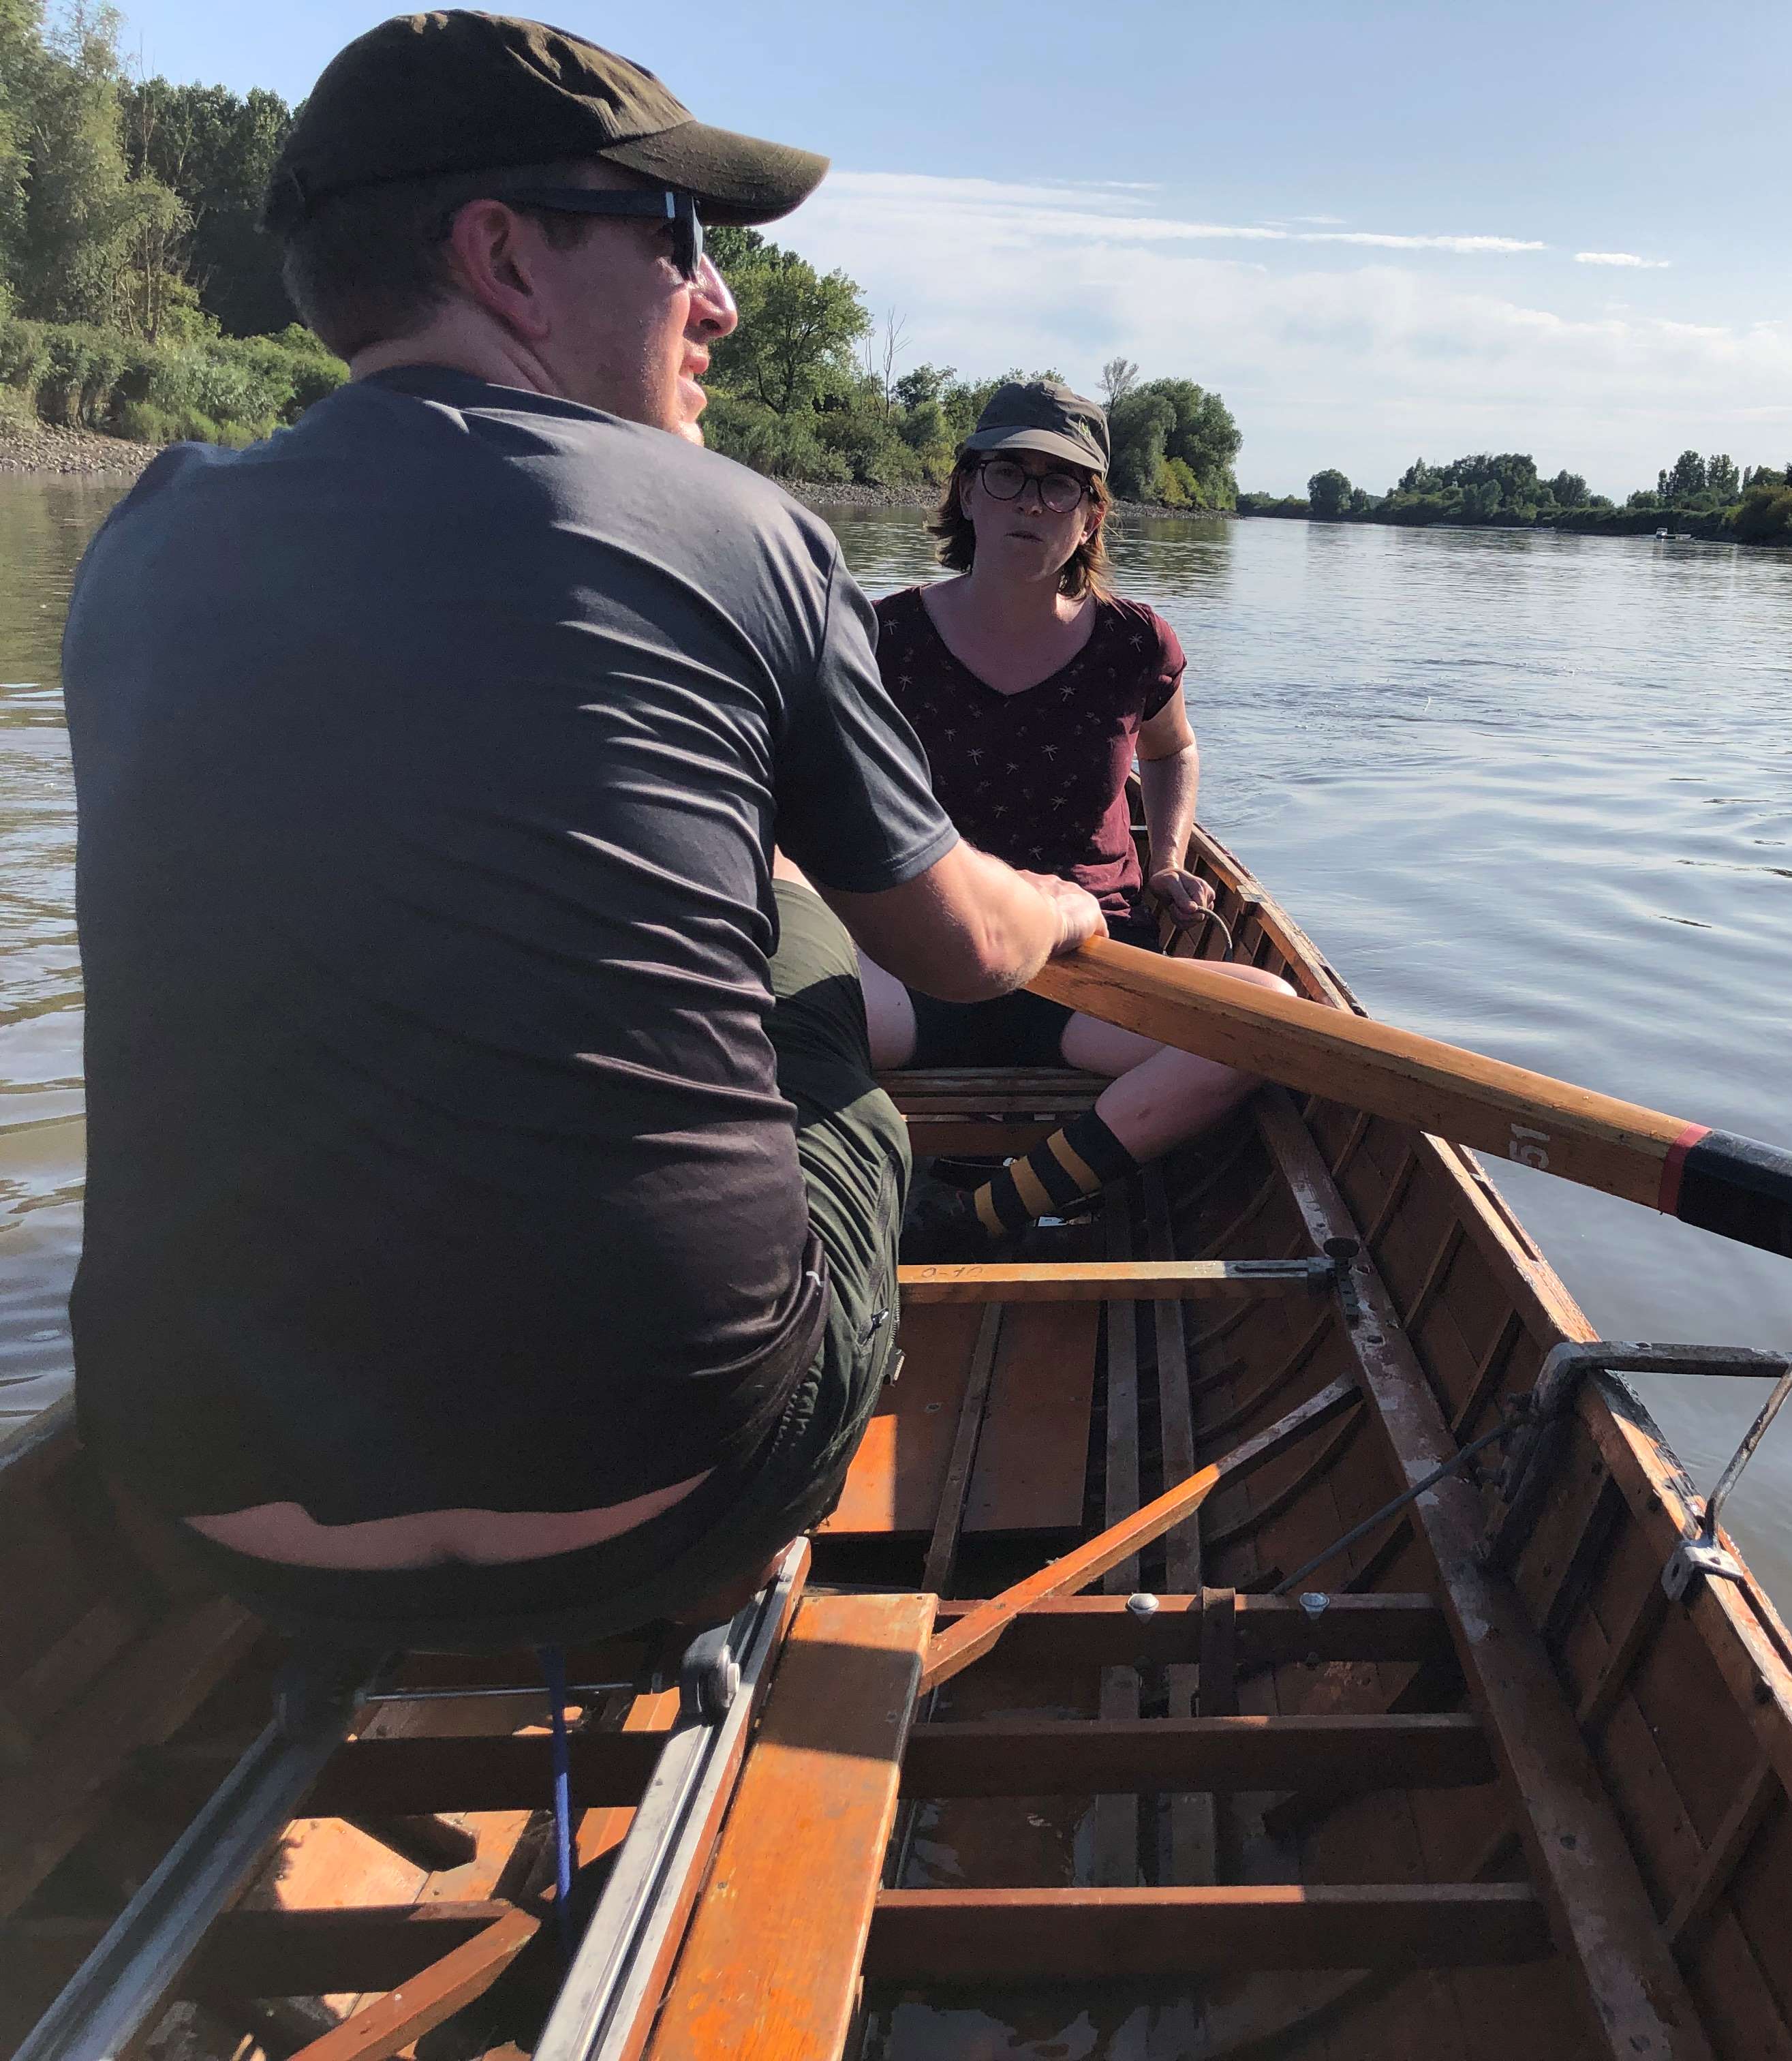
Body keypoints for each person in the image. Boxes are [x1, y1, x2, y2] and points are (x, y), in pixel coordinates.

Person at [61, 12, 1101, 1650]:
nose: (722, 300)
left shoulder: (144, 540)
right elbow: (960, 946)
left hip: (211, 1501)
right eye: (681, 239)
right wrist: (1060, 912)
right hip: (674, 1491)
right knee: (818, 969)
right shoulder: (738, 523)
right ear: (503, 257)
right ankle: (761, 1534)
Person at [864, 381, 1294, 1256]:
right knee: (720, 1019)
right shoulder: (882, 637)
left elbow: (1171, 752)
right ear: (965, 491)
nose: (1031, 501)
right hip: (919, 957)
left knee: (1273, 1022)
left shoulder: (1135, 645)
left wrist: (1168, 860)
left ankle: (982, 1211)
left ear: (1092, 515)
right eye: (1007, 475)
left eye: (1060, 484)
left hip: (1086, 969)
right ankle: (853, 1193)